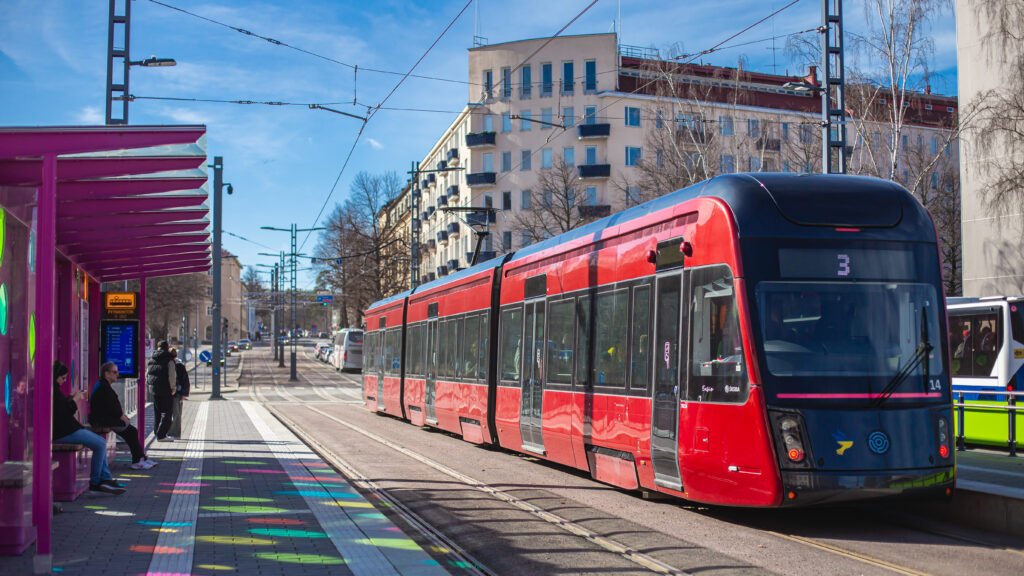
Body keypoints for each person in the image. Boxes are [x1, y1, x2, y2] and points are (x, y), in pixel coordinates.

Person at [52, 362, 125, 495]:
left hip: (68, 429)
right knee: (100, 444)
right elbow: (64, 412)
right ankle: (97, 481)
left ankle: (104, 479)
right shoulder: (53, 391)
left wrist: (70, 399)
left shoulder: (54, 390)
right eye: (62, 378)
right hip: (64, 432)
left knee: (99, 443)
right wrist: (74, 400)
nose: (64, 381)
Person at [90, 362, 157, 470]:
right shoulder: (103, 387)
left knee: (131, 432)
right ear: (107, 374)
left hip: (104, 418)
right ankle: (138, 460)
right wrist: (122, 417)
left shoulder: (103, 385)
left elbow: (112, 406)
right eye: (114, 372)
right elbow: (112, 407)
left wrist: (122, 416)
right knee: (131, 432)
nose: (117, 374)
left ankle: (141, 457)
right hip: (102, 420)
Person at [146, 340, 177, 441]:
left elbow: (148, 374)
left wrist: (150, 386)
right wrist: (173, 388)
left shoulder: (151, 359)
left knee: (157, 413)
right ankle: (161, 435)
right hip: (166, 389)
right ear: (167, 348)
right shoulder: (169, 359)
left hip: (154, 390)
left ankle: (156, 432)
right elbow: (172, 376)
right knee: (168, 413)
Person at [168, 348, 190, 439]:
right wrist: (184, 394)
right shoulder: (179, 365)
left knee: (175, 414)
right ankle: (174, 433)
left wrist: (184, 393)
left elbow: (185, 380)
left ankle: (173, 433)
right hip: (178, 393)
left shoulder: (176, 365)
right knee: (176, 414)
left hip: (174, 393)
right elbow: (186, 381)